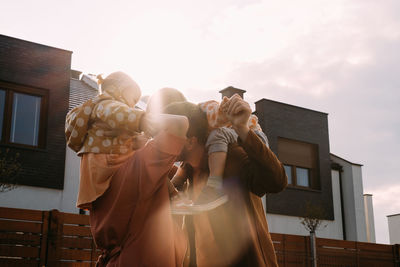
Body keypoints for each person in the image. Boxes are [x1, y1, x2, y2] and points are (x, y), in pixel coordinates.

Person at [72, 72, 189, 266]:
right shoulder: (139, 165)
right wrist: (144, 120)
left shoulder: (100, 179)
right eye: (132, 103)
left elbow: (161, 183)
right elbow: (180, 124)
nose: (133, 108)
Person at [164, 95, 288, 267]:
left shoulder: (231, 158)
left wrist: (243, 129)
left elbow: (277, 181)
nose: (159, 140)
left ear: (191, 142)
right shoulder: (186, 174)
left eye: (165, 133)